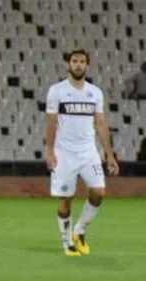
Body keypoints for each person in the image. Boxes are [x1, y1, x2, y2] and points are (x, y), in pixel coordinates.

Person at [45, 49, 119, 257]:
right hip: (64, 153)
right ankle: (67, 242)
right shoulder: (57, 91)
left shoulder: (95, 92)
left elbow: (101, 123)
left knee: (99, 193)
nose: (78, 65)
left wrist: (109, 154)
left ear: (87, 65)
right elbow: (51, 123)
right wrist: (50, 152)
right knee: (65, 199)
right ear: (68, 64)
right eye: (75, 61)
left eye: (82, 61)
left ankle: (80, 231)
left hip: (88, 152)